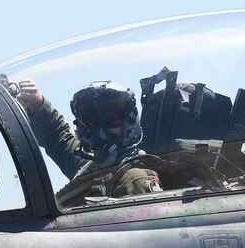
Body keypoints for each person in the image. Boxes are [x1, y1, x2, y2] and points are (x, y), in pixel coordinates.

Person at [16, 79, 163, 204]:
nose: (100, 128)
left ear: (130, 120)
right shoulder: (92, 169)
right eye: (90, 117)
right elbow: (57, 137)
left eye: (111, 116)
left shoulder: (134, 179)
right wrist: (37, 104)